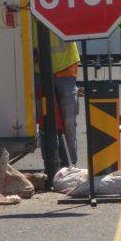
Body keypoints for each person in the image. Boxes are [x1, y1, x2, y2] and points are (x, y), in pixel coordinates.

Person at [33, 31, 80, 167]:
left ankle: (70, 164)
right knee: (44, 120)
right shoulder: (29, 15)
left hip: (65, 69)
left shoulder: (59, 10)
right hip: (39, 71)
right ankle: (49, 162)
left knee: (69, 119)